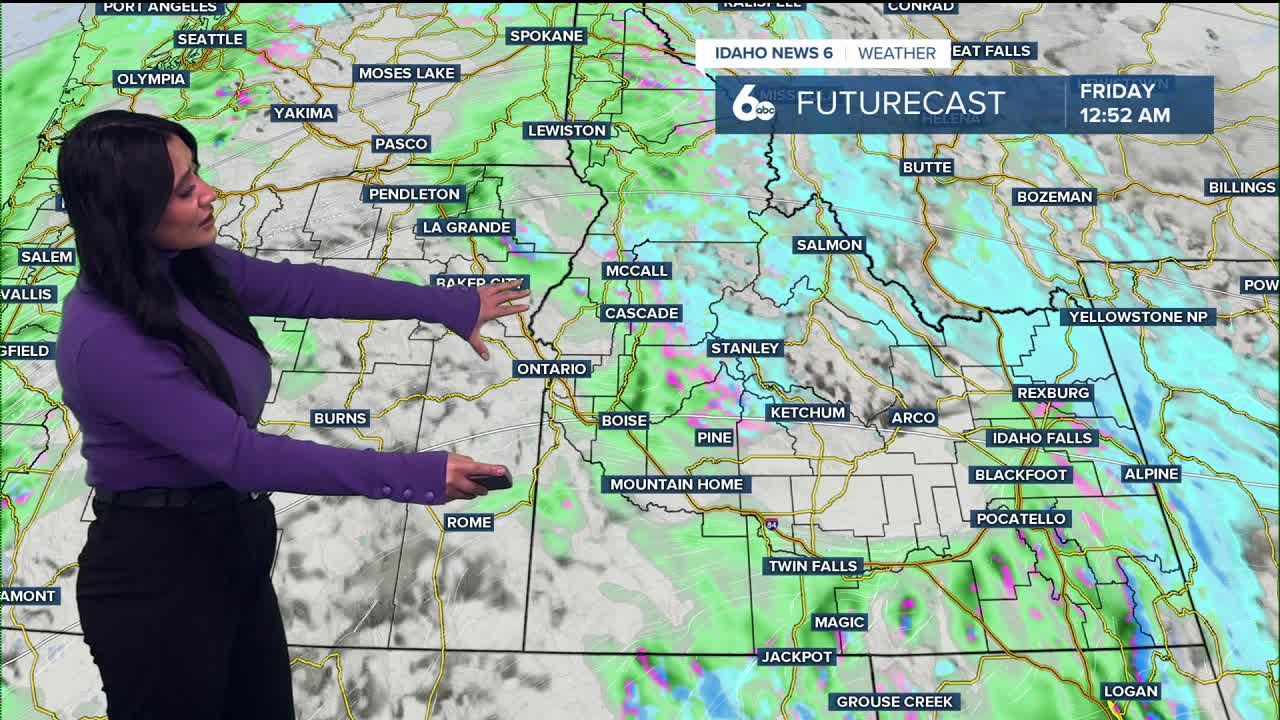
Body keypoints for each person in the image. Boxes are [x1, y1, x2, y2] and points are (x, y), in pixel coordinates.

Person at [54, 109, 530, 719]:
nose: (209, 194)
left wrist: (446, 306)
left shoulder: (187, 270)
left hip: (231, 545)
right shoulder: (106, 339)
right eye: (184, 189)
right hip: (156, 578)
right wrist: (416, 474)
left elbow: (306, 289)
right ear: (129, 212)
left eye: (198, 174)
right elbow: (242, 456)